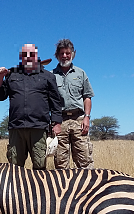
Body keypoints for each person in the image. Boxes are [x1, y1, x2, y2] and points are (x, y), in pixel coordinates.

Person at [0, 43, 62, 170]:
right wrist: (0, 78)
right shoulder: (12, 75)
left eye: (31, 54)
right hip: (16, 128)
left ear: (36, 56)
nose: (28, 57)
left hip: (38, 127)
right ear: (21, 57)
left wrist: (57, 122)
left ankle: (39, 190)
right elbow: (0, 96)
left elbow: (55, 101)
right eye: (25, 55)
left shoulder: (47, 76)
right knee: (14, 169)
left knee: (40, 168)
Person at [52, 39, 95, 169]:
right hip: (60, 121)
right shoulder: (51, 75)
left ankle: (88, 188)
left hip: (79, 119)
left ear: (72, 54)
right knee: (60, 163)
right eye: (62, 53)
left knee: (84, 161)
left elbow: (87, 96)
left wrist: (87, 117)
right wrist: (54, 122)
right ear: (57, 55)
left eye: (67, 53)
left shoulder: (81, 73)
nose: (65, 56)